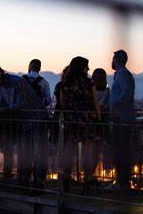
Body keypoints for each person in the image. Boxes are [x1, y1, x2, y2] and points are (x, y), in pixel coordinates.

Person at [0, 65, 47, 187]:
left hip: (37, 118)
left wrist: (1, 110)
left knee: (39, 150)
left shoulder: (17, 82)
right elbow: (2, 102)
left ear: (2, 72)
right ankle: (25, 179)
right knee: (26, 151)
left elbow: (21, 103)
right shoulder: (2, 87)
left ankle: (39, 179)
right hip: (25, 122)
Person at [60, 56, 101, 194]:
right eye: (86, 66)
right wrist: (99, 119)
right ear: (82, 67)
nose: (88, 69)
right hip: (87, 121)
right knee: (88, 153)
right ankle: (87, 183)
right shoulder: (89, 83)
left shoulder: (64, 84)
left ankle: (65, 182)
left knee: (69, 152)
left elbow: (63, 104)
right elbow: (96, 103)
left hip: (71, 121)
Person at [110, 50, 135, 190]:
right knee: (120, 149)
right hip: (121, 117)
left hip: (122, 118)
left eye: (112, 58)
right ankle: (122, 181)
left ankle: (122, 182)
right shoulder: (121, 74)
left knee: (120, 150)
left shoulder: (122, 74)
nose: (111, 61)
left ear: (116, 60)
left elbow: (127, 91)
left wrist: (116, 103)